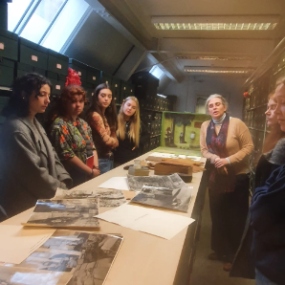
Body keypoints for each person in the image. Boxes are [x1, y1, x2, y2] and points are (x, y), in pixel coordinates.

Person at [0, 73, 72, 217]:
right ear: (24, 94)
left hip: (43, 198)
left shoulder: (34, 122)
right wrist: (61, 191)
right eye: (42, 94)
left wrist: (64, 180)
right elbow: (34, 174)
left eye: (49, 95)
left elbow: (53, 155)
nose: (47, 100)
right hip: (25, 204)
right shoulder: (17, 129)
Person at [200, 94, 254, 271]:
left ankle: (233, 256)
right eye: (210, 105)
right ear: (208, 109)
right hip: (216, 177)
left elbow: (249, 147)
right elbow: (204, 150)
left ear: (225, 107)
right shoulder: (205, 126)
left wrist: (228, 160)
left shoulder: (237, 124)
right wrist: (215, 158)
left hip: (237, 177)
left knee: (235, 218)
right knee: (217, 215)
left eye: (217, 104)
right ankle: (220, 250)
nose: (214, 107)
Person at [250, 78, 285, 285]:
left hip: (276, 263)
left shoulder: (281, 147)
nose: (275, 111)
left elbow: (261, 210)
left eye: (281, 103)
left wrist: (259, 199)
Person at [48, 68, 100, 186]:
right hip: (69, 176)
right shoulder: (59, 125)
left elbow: (91, 146)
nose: (78, 105)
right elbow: (67, 155)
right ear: (65, 102)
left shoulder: (83, 123)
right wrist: (90, 171)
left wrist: (95, 167)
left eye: (81, 101)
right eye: (73, 101)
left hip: (88, 172)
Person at [86, 83, 118, 174]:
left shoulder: (106, 115)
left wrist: (113, 139)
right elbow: (107, 141)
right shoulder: (95, 115)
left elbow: (113, 133)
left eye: (109, 96)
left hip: (108, 158)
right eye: (103, 95)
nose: (106, 99)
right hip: (100, 159)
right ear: (96, 97)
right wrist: (114, 141)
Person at [114, 96, 147, 166]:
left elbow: (147, 136)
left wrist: (138, 144)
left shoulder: (138, 124)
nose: (130, 108)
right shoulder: (114, 120)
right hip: (116, 161)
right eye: (128, 105)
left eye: (133, 107)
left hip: (132, 161)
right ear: (123, 104)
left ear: (136, 110)